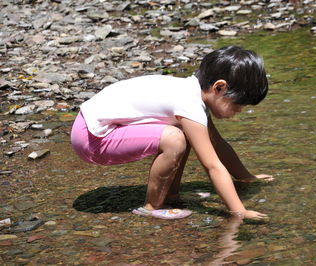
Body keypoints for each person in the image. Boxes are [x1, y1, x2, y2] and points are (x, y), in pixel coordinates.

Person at [71, 46, 274, 220]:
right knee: (175, 139)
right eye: (238, 105)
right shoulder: (190, 104)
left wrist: (246, 177)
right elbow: (212, 165)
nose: (238, 112)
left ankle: (169, 195)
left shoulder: (191, 93)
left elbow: (217, 144)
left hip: (90, 128)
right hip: (91, 139)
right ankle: (151, 207)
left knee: (182, 134)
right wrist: (239, 211)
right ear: (219, 87)